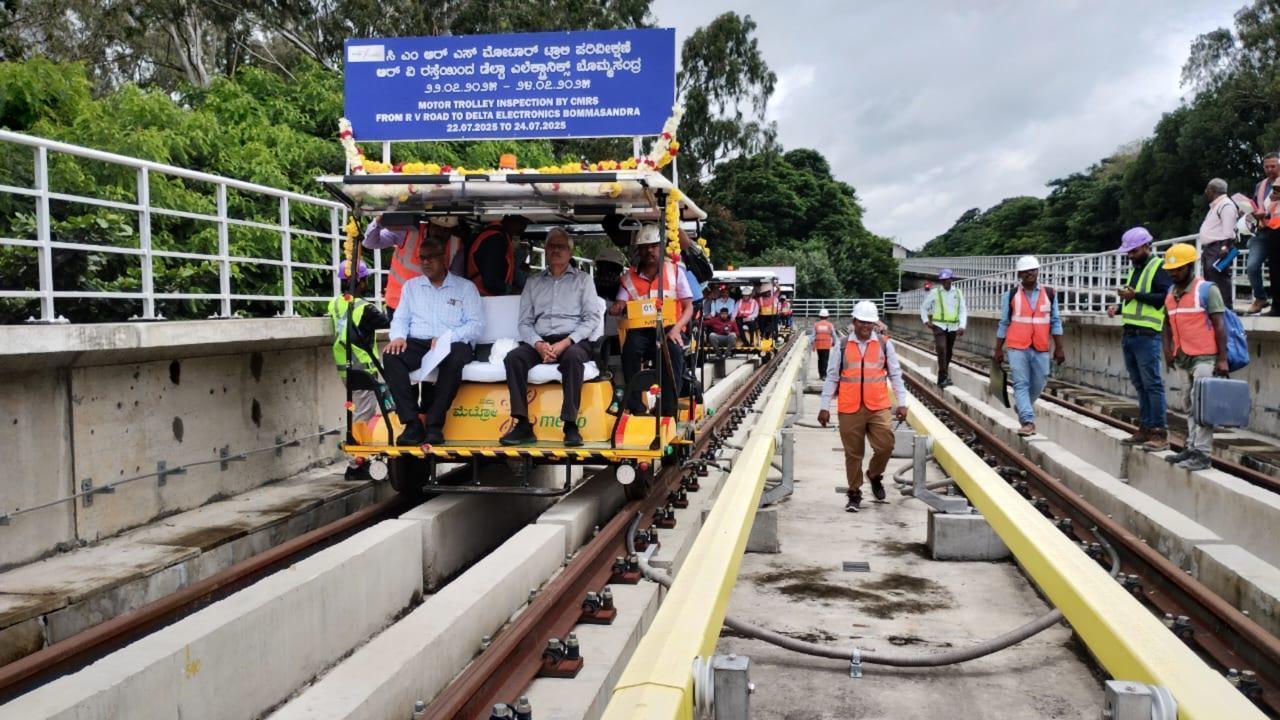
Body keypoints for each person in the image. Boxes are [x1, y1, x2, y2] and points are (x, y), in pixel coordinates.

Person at [499, 228, 598, 448]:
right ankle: (522, 424)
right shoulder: (533, 282)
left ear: (570, 252)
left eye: (560, 246)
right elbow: (524, 322)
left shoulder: (583, 281)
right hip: (540, 340)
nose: (555, 250)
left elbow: (591, 319)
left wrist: (565, 343)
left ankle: (570, 424)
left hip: (572, 340)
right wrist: (539, 344)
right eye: (551, 246)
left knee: (573, 359)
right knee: (513, 358)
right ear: (545, 250)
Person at [381, 236, 483, 446]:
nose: (426, 262)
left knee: (456, 357)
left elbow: (476, 325)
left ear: (444, 258)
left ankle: (435, 425)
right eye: (422, 258)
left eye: (431, 257)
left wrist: (448, 338)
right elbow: (400, 318)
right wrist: (398, 336)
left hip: (453, 343)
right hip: (419, 342)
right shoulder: (411, 286)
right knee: (391, 356)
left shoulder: (465, 287)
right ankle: (412, 423)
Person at [818, 301, 909, 513]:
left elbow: (895, 375)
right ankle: (854, 493)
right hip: (849, 408)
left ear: (875, 324)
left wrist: (902, 403)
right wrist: (824, 406)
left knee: (885, 446)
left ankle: (874, 475)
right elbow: (832, 377)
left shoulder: (885, 344)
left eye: (869, 323)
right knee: (853, 454)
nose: (865, 327)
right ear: (854, 322)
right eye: (861, 322)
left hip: (878, 406)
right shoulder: (841, 345)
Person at [610, 224, 695, 416]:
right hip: (640, 330)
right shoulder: (628, 277)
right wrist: (617, 307)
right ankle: (636, 406)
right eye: (645, 246)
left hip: (668, 327)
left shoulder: (675, 272)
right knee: (629, 350)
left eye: (654, 245)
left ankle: (667, 409)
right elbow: (620, 302)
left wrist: (677, 329)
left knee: (673, 351)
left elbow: (689, 306)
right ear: (638, 250)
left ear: (662, 246)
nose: (650, 251)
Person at [1161, 243, 1230, 472]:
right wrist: (1168, 351)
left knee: (1202, 405)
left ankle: (1203, 453)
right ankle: (1191, 447)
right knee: (1189, 404)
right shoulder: (1171, 295)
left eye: (1178, 269)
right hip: (1182, 357)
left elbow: (1220, 324)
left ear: (1190, 266)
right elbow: (1166, 325)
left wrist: (1222, 358)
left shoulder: (1206, 290)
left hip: (1205, 356)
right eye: (1170, 270)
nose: (1173, 273)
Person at [1106, 228, 1171, 451]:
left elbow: (1164, 298)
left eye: (1133, 251)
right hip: (1131, 333)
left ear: (1145, 247)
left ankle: (1159, 433)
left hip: (1147, 335)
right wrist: (1119, 307)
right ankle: (1145, 428)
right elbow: (1134, 301)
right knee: (1141, 385)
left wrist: (1135, 296)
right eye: (1128, 252)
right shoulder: (1136, 269)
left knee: (1152, 384)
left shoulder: (1158, 267)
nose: (1130, 256)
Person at [327, 260, 391, 477]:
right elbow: (387, 321)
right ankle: (356, 464)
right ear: (361, 281)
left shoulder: (335, 304)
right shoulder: (365, 308)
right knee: (363, 415)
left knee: (356, 411)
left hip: (345, 368)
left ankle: (359, 458)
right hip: (363, 367)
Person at [993, 255, 1065, 437]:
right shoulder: (1010, 295)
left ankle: (1022, 406)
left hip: (1041, 346)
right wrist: (998, 349)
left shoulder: (1049, 293)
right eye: (1026, 271)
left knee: (1040, 381)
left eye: (1033, 270)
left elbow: (1055, 321)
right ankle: (1027, 420)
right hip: (1017, 346)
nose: (1030, 274)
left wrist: (1059, 347)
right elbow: (1004, 323)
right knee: (1021, 383)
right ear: (1020, 274)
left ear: (1038, 271)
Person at [362, 215, 460, 317]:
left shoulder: (456, 243)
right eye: (437, 227)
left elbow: (456, 284)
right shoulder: (409, 232)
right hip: (399, 305)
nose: (441, 232)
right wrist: (379, 221)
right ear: (429, 224)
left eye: (446, 229)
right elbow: (370, 243)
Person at [919, 268, 967, 388]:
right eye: (943, 280)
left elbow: (962, 310)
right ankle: (943, 376)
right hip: (939, 325)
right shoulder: (935, 293)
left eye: (947, 280)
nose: (945, 282)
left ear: (951, 279)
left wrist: (962, 325)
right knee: (941, 348)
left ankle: (942, 377)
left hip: (953, 326)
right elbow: (924, 307)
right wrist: (926, 321)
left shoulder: (958, 293)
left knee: (949, 351)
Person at [1246, 153, 1280, 314]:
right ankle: (1261, 298)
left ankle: (1276, 305)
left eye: (1273, 166)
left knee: (1276, 269)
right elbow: (1256, 204)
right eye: (1266, 166)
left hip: (1276, 229)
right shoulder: (1260, 185)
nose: (1269, 169)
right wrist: (1247, 210)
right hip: (1262, 230)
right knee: (1253, 266)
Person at [466, 215, 529, 297]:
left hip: (485, 296)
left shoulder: (499, 236)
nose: (524, 229)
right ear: (514, 221)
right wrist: (513, 291)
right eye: (523, 224)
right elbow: (490, 281)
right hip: (483, 296)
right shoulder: (495, 239)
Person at [1199, 178, 1238, 306]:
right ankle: (1214, 309)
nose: (1205, 192)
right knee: (1210, 280)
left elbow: (1229, 230)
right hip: (1211, 248)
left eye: (1207, 189)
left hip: (1218, 248)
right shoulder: (1217, 205)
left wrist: (1224, 247)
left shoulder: (1226, 205)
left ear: (1213, 190)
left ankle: (1226, 309)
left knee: (1219, 279)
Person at [593, 245, 628, 370]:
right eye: (604, 268)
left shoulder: (625, 291)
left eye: (611, 269)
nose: (607, 273)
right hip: (595, 343)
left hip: (619, 344)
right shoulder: (589, 289)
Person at [810, 308, 837, 381]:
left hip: (818, 345)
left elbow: (812, 336)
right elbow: (834, 335)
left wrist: (812, 344)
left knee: (820, 360)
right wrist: (835, 343)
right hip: (827, 345)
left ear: (820, 316)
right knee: (825, 360)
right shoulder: (830, 325)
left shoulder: (816, 325)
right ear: (827, 317)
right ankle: (824, 375)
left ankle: (821, 374)